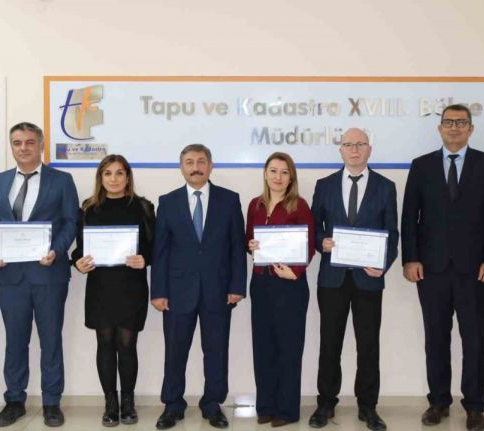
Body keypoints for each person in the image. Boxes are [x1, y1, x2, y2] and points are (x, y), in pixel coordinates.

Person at [401, 105, 484, 431]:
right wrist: (410, 258)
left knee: (474, 340)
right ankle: (438, 402)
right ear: (440, 128)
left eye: (461, 123)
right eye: (449, 122)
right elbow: (410, 216)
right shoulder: (421, 166)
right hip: (431, 269)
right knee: (435, 338)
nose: (455, 128)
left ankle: (474, 405)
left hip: (476, 271)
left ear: (471, 129)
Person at [0, 122, 78, 427]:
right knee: (15, 341)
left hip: (49, 275)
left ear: (41, 145)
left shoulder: (62, 180)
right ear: (12, 146)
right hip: (11, 276)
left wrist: (56, 251)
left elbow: (70, 222)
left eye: (29, 142)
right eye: (17, 143)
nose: (23, 148)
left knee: (51, 341)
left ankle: (51, 402)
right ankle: (14, 401)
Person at [151, 144, 246, 430]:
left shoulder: (229, 200)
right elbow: (160, 251)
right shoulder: (167, 202)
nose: (196, 167)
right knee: (175, 351)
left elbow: (237, 247)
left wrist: (237, 285)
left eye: (201, 161)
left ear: (211, 165)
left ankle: (212, 404)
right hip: (177, 292)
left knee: (216, 350)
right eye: (190, 162)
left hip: (219, 290)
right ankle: (172, 405)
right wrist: (158, 291)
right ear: (181, 167)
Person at [309, 128, 398, 431]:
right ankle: (325, 403)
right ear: (341, 150)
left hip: (368, 279)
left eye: (360, 144)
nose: (355, 149)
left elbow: (392, 233)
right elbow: (314, 228)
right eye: (349, 144)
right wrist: (321, 242)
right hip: (332, 279)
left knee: (368, 345)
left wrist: (382, 264)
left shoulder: (386, 187)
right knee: (329, 344)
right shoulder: (324, 185)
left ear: (369, 149)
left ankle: (368, 406)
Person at [71, 154, 155, 427]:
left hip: (131, 286)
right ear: (101, 177)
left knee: (128, 345)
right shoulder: (88, 208)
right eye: (107, 173)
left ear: (128, 177)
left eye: (119, 173)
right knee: (105, 344)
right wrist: (78, 262)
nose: (114, 179)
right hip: (101, 287)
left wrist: (145, 259)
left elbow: (155, 247)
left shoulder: (143, 207)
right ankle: (110, 403)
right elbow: (79, 249)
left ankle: (128, 402)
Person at [245, 152, 315, 427]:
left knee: (288, 348)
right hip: (261, 283)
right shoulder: (255, 205)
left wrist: (295, 272)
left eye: (284, 172)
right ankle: (266, 406)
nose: (278, 177)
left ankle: (287, 410)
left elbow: (309, 244)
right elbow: (248, 240)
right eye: (273, 171)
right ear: (265, 173)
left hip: (290, 285)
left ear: (291, 177)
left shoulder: (300, 205)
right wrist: (251, 245)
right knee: (263, 347)